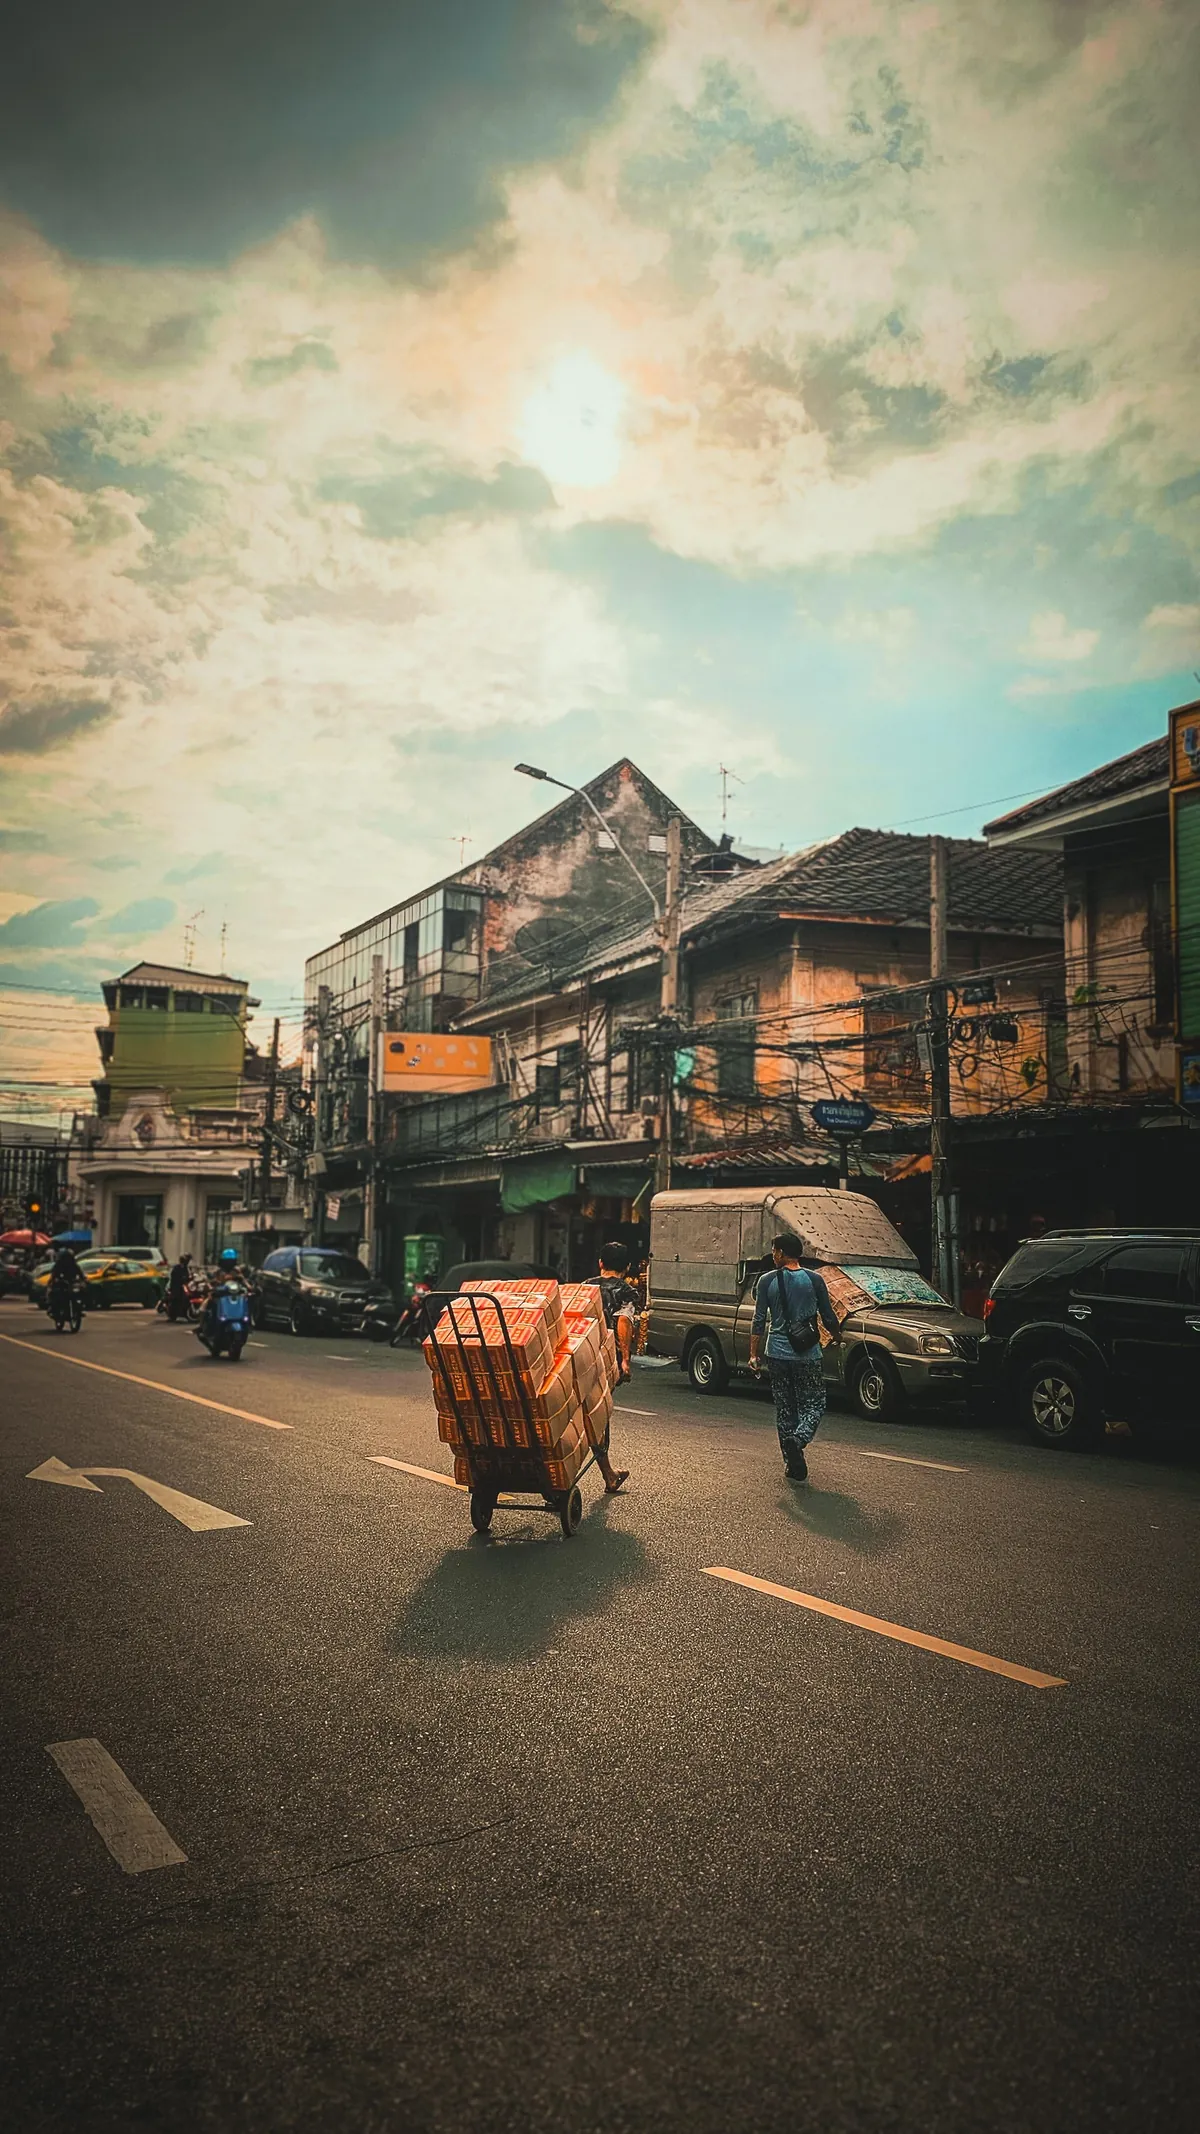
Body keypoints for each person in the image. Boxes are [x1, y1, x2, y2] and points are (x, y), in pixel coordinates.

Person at [749, 1232, 842, 1483]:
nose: (773, 1255)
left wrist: (753, 1354)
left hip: (776, 1353)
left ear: (780, 1253)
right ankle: (798, 1440)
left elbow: (758, 1321)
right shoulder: (815, 1280)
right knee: (814, 1403)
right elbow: (828, 1315)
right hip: (807, 1353)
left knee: (785, 1408)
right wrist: (837, 1336)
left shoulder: (766, 1281)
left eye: (774, 1251)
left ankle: (791, 1463)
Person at [597, 1241, 638, 1386]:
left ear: (600, 1263)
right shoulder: (628, 1292)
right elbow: (623, 1320)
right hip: (609, 1354)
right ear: (627, 1267)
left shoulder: (585, 1287)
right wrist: (625, 1360)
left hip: (584, 1350)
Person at [165, 1251, 193, 1322]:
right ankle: (174, 1315)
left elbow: (189, 1275)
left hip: (183, 1285)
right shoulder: (177, 1268)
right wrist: (183, 1279)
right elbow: (175, 1277)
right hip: (176, 1286)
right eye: (187, 1260)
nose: (188, 1261)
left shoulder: (186, 1268)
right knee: (176, 1299)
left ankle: (183, 1313)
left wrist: (191, 1278)